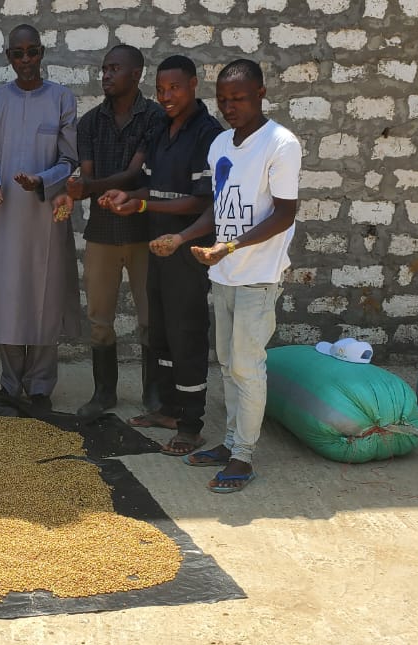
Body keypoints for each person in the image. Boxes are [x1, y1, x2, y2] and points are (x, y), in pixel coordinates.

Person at [172, 59, 302, 493]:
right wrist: (188, 236)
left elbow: (285, 214)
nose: (229, 107)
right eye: (223, 99)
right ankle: (229, 443)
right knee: (228, 365)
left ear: (261, 93)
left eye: (239, 98)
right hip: (224, 273)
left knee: (248, 367)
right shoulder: (221, 144)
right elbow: (218, 202)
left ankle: (243, 457)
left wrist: (229, 246)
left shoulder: (281, 144)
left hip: (258, 275)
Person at [96, 54, 223, 457]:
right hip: (158, 248)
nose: (166, 97)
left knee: (187, 335)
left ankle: (190, 425)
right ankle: (167, 409)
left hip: (188, 250)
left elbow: (200, 202)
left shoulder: (207, 134)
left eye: (175, 88)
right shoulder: (163, 131)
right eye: (161, 90)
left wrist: (144, 207)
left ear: (194, 85)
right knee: (163, 331)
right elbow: (152, 187)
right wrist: (129, 195)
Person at [54, 44, 166, 420]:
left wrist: (89, 187)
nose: (106, 75)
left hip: (143, 232)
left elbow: (136, 171)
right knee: (99, 318)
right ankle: (104, 393)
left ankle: (153, 395)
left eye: (114, 68)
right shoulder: (89, 122)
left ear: (136, 74)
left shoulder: (154, 116)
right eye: (103, 68)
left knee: (150, 317)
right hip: (102, 232)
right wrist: (77, 187)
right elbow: (85, 173)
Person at [0, 24, 82, 411]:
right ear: (8, 57)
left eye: (31, 52)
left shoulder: (61, 99)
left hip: (46, 214)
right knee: (7, 298)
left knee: (44, 297)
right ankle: (9, 383)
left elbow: (69, 159)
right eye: (17, 54)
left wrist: (43, 179)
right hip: (3, 216)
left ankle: (40, 387)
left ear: (41, 53)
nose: (25, 61)